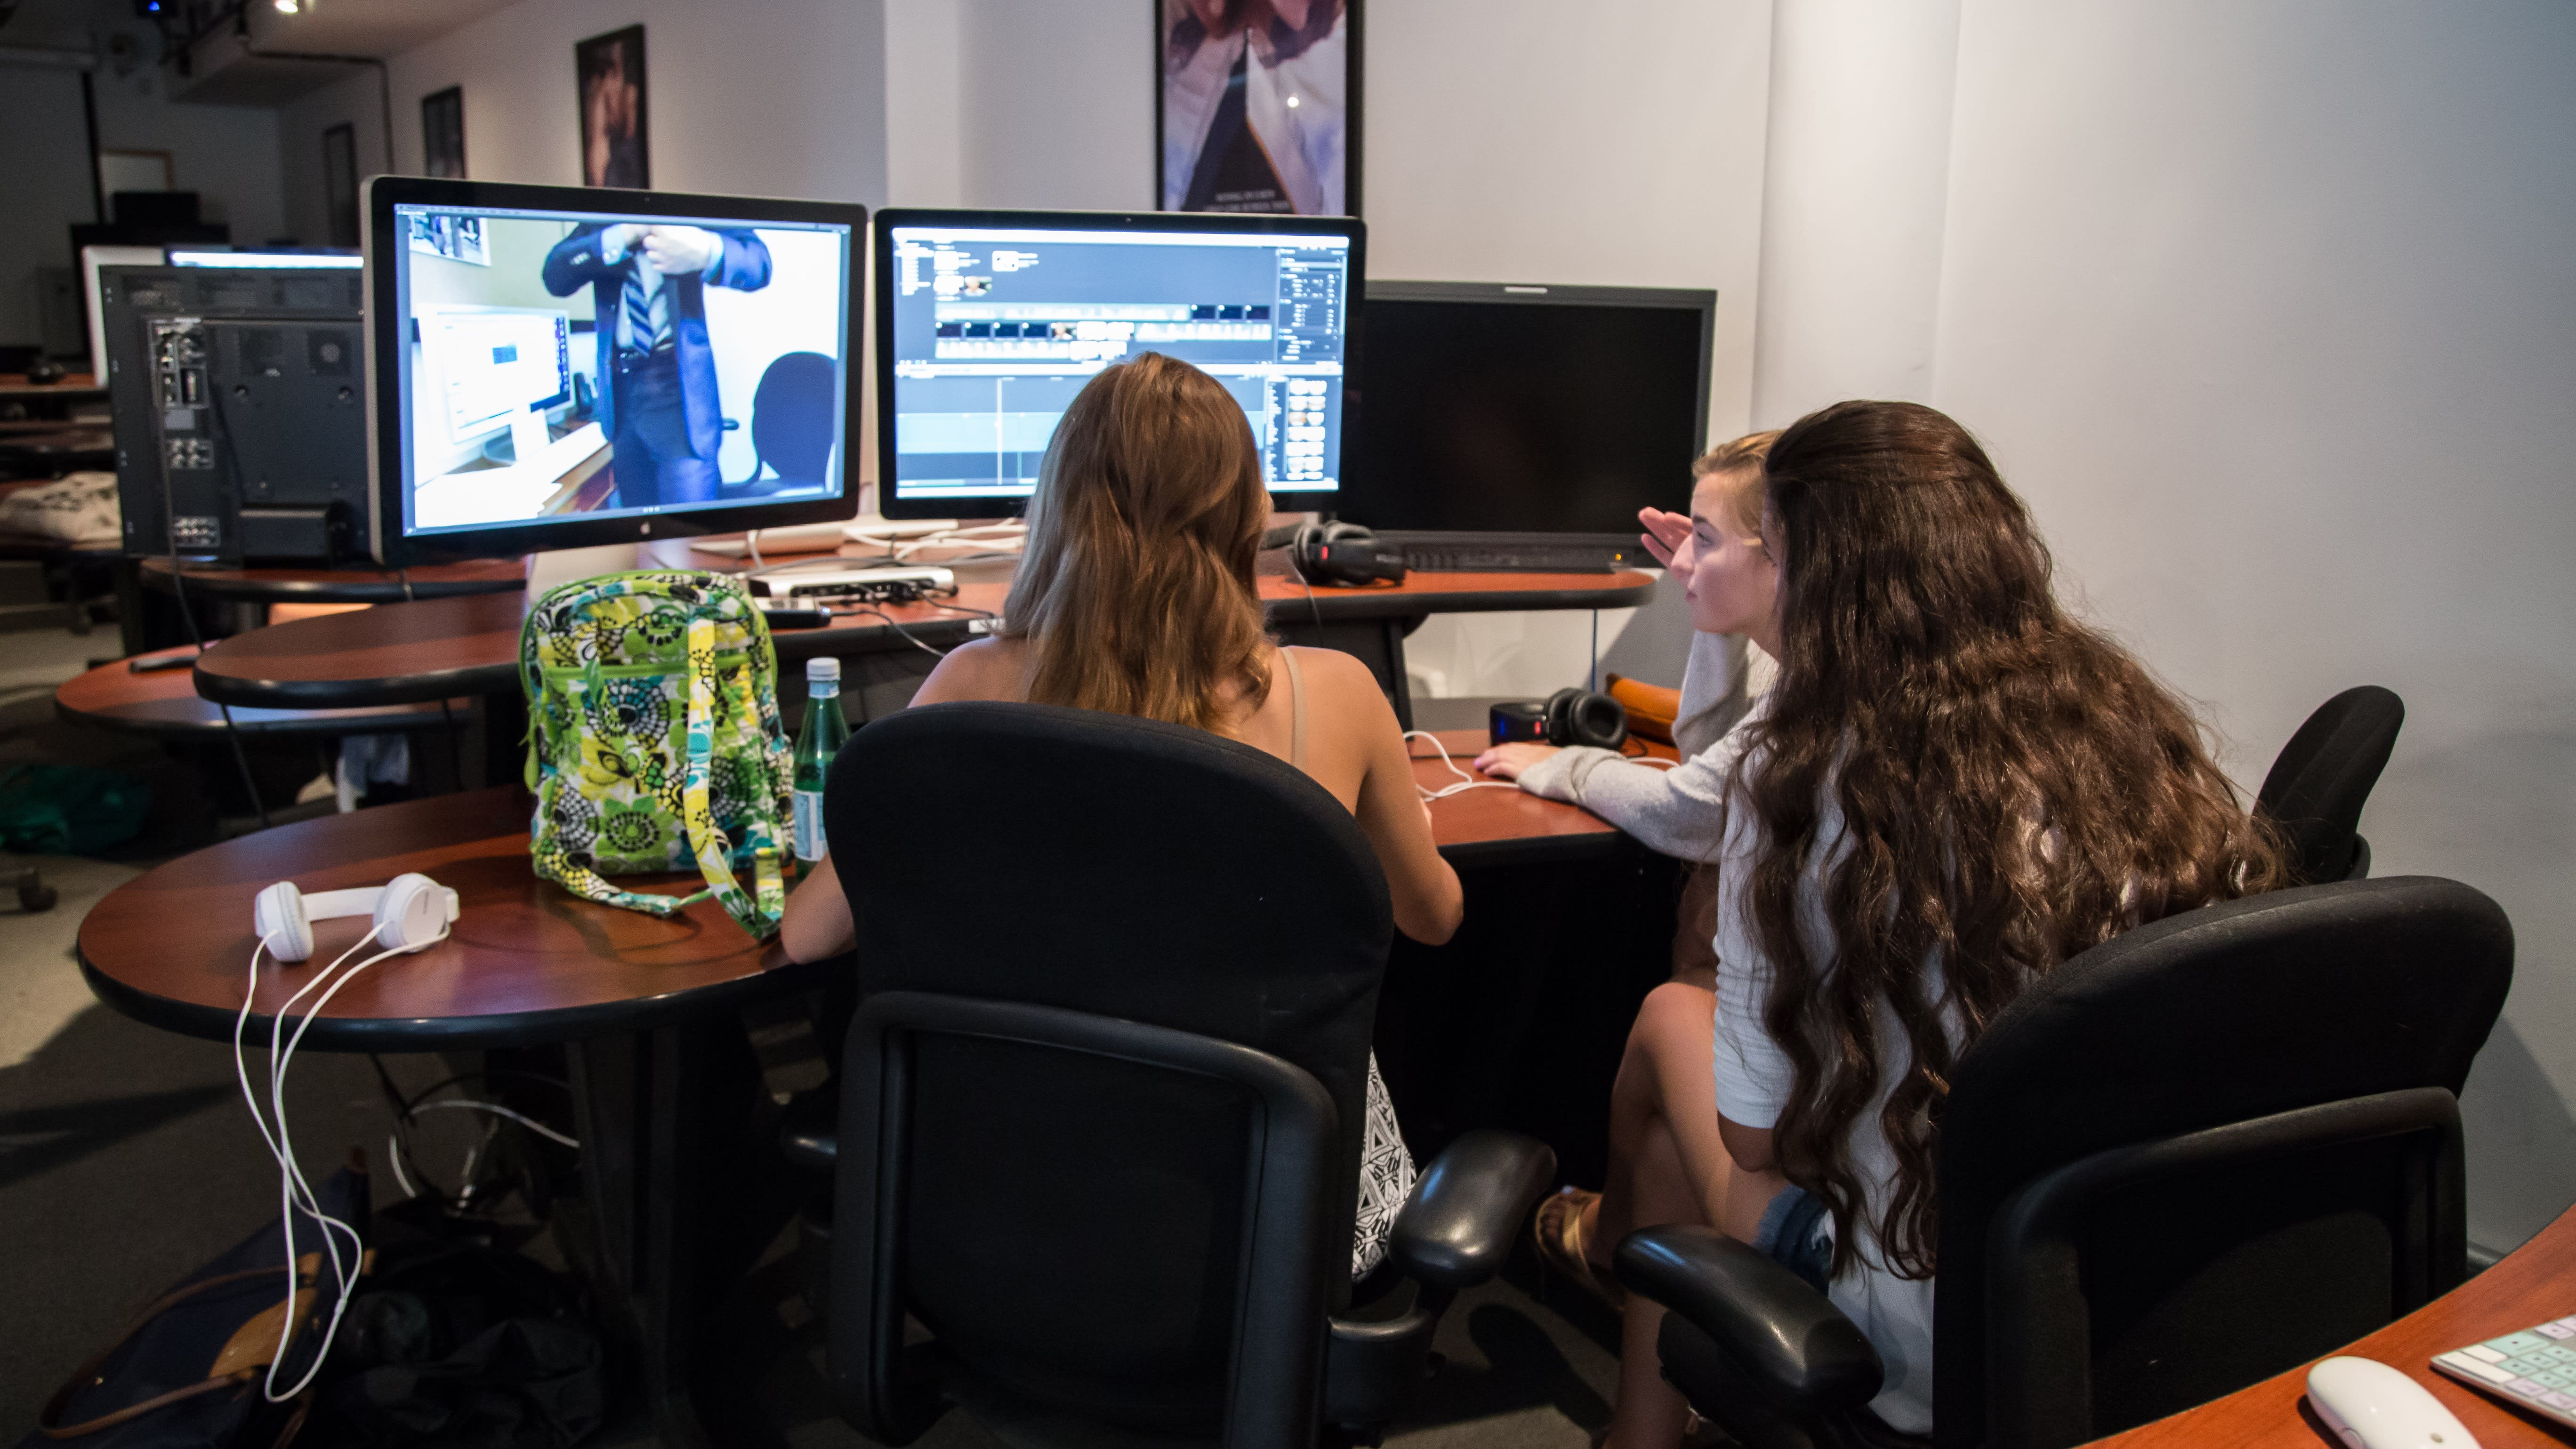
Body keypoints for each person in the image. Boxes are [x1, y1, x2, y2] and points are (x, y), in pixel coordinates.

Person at [1505, 400, 2286, 1446]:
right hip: (2142, 1279)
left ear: (1807, 579)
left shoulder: (1801, 783)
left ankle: (1622, 1329)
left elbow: (1756, 1139)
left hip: (1918, 1327)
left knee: (1665, 1023)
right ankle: (1626, 1330)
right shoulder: (2117, 727)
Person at [780, 351, 1463, 1278]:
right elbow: (1434, 916)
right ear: (1249, 513)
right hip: (1264, 1215)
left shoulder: (965, 689)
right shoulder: (1334, 697)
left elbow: (809, 937)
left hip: (1004, 1206)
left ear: (1057, 505)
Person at [1480, 429, 1781, 988]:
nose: (1685, 560)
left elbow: (1690, 814)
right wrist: (1715, 611)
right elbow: (1710, 766)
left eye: (1707, 540)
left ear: (1780, 558)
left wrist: (1566, 767)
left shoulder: (1817, 700)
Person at [542, 223, 771, 509]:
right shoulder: (604, 215)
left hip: (681, 395)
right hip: (620, 393)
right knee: (637, 525)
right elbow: (555, 276)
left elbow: (759, 264)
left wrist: (705, 251)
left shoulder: (688, 205)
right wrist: (623, 234)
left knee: (689, 530)